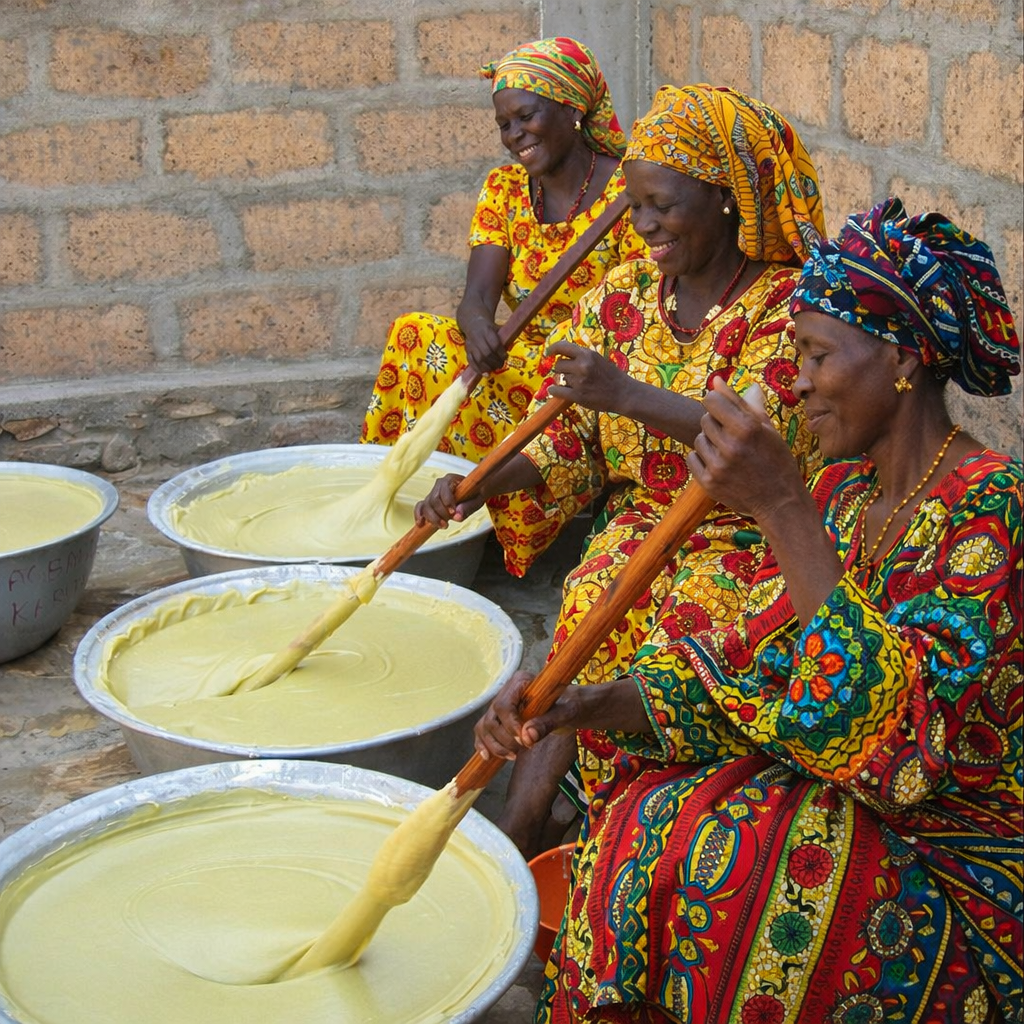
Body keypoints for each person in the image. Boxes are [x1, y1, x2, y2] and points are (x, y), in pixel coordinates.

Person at [475, 197, 1022, 1024]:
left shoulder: (992, 510)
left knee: (736, 874)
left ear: (904, 360)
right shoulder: (843, 492)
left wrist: (780, 506)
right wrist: (579, 705)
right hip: (844, 794)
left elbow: (900, 756)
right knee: (635, 823)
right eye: (795, 352)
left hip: (955, 859)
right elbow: (749, 668)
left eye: (818, 355)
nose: (795, 381)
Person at [417, 85, 826, 856]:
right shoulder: (627, 298)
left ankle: (628, 834)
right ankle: (526, 825)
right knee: (586, 608)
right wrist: (476, 487)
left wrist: (625, 393)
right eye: (634, 206)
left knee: (672, 641)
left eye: (662, 207)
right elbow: (567, 436)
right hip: (644, 520)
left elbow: (757, 439)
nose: (642, 227)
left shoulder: (787, 307)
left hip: (751, 539)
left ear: (726, 198)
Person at [361, 36, 647, 460]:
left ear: (571, 107)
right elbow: (477, 297)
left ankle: (478, 502)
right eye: (504, 125)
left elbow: (639, 313)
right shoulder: (505, 189)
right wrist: (478, 327)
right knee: (414, 333)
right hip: (516, 360)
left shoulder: (630, 190)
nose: (514, 135)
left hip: (586, 375)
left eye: (526, 116)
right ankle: (397, 484)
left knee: (493, 392)